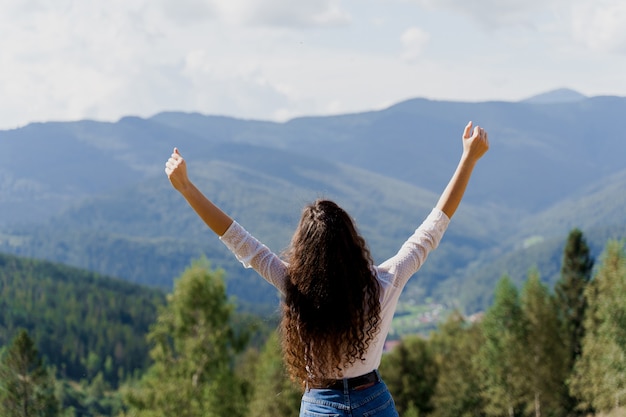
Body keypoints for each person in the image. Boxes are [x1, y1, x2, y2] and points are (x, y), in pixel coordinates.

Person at [165, 121, 489, 417]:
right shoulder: (384, 282)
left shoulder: (294, 285)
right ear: (352, 242)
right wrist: (468, 159)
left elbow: (238, 239)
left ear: (303, 251)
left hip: (320, 406)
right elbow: (433, 228)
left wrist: (186, 188)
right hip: (373, 402)